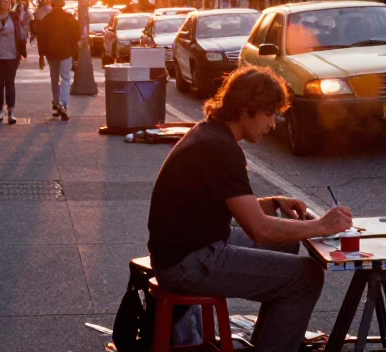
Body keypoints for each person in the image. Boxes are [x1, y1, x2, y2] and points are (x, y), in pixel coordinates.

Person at [147, 67, 352, 352]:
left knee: (288, 244)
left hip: (186, 251)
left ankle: (267, 342)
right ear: (245, 110)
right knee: (306, 277)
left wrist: (271, 203)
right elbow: (259, 229)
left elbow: (219, 201)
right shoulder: (221, 149)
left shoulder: (210, 133)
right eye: (269, 114)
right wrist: (321, 226)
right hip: (188, 263)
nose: (272, 124)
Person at [36, 0, 77, 121]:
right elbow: (77, 34)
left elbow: (41, 38)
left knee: (54, 79)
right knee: (65, 77)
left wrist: (41, 56)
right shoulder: (69, 17)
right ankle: (62, 104)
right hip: (66, 52)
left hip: (51, 53)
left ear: (51, 4)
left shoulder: (46, 19)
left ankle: (56, 104)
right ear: (63, 4)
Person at [32, 0, 52, 69]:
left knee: (41, 44)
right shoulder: (50, 9)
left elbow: (35, 22)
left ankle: (42, 58)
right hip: (47, 31)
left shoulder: (38, 11)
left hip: (41, 31)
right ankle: (43, 58)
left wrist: (34, 33)